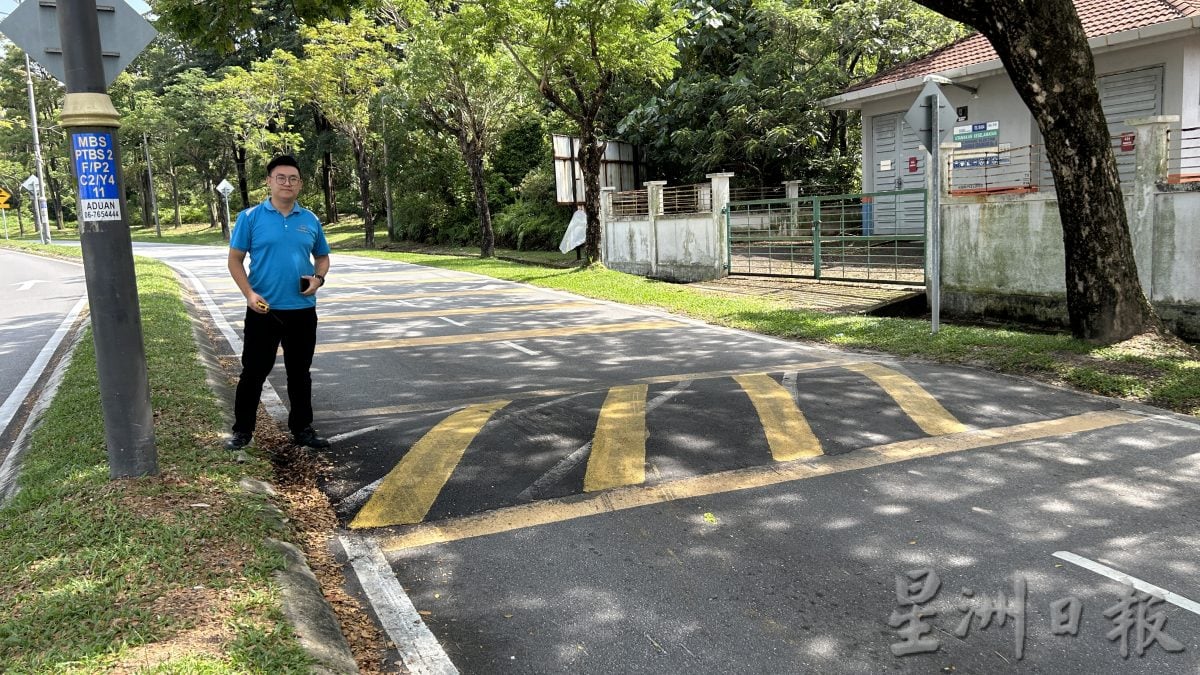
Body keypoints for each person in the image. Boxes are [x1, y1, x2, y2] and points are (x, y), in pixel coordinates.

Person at [225, 155, 332, 451]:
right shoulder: (250, 218)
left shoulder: (309, 219)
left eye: (293, 179)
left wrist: (318, 279)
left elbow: (322, 257)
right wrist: (249, 293)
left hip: (302, 311)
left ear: (299, 184)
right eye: (281, 177)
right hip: (264, 311)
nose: (287, 183)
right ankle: (242, 432)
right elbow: (235, 260)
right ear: (269, 181)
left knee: (300, 374)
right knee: (253, 373)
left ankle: (302, 430)